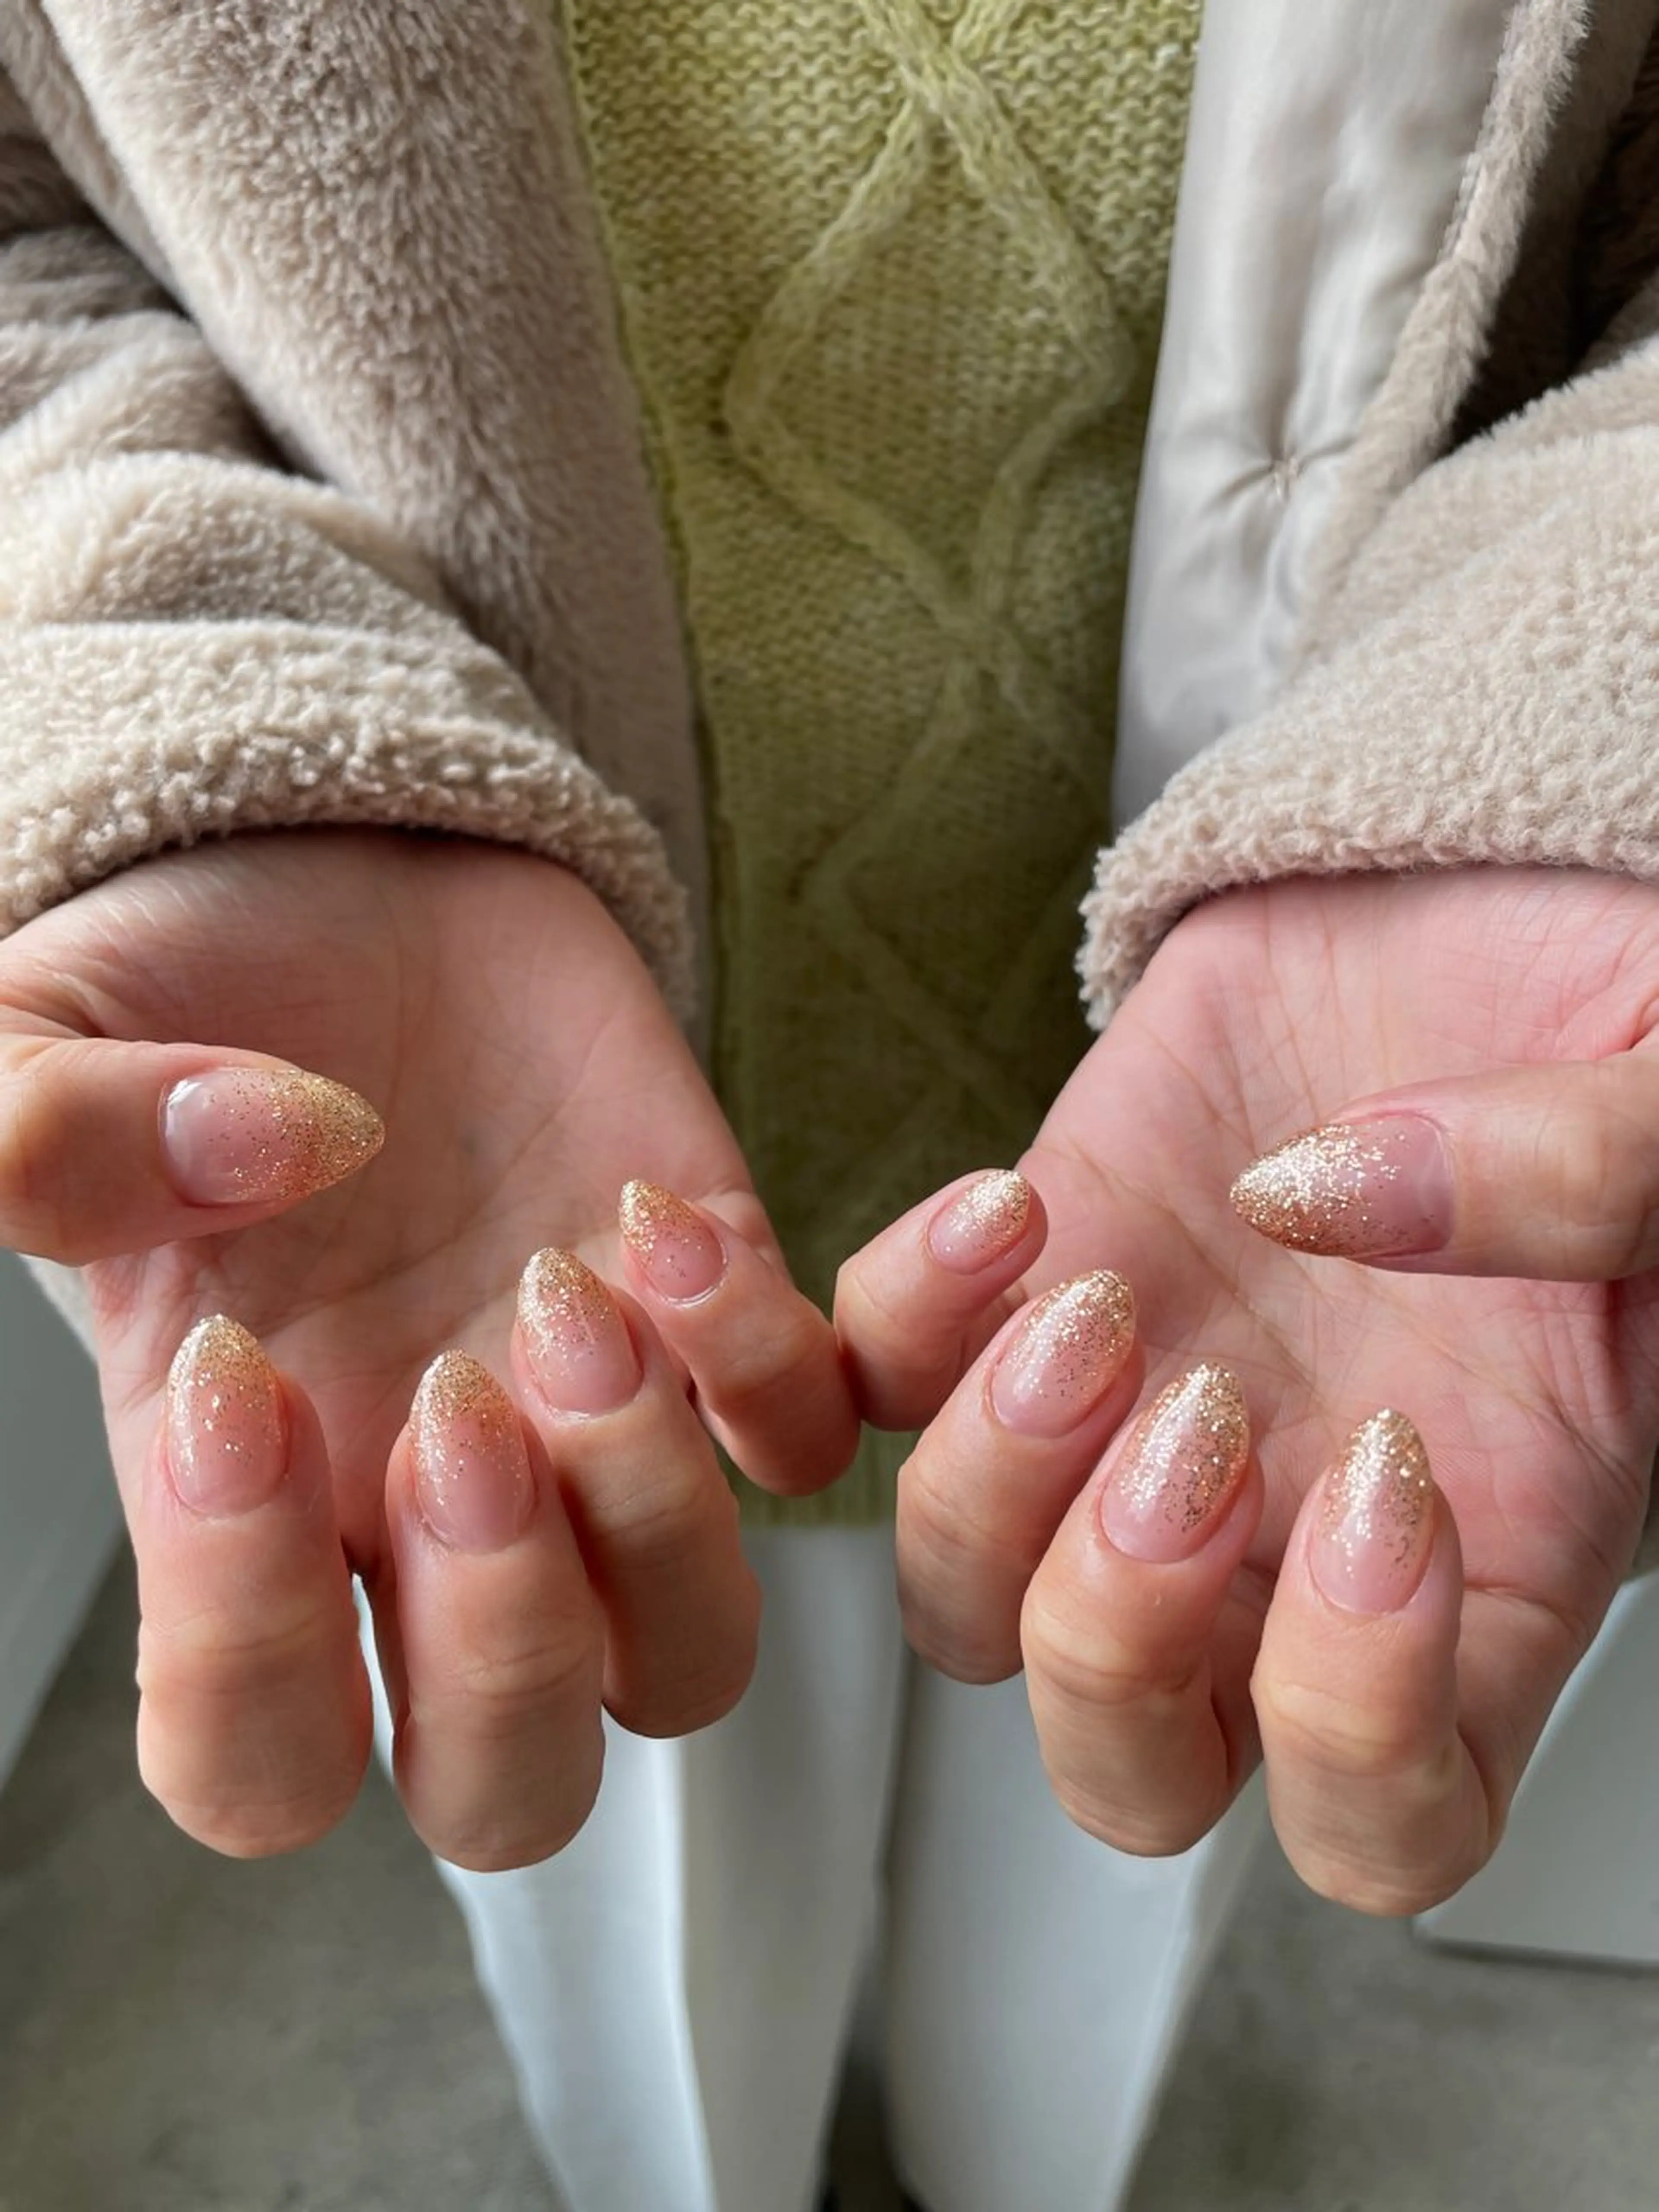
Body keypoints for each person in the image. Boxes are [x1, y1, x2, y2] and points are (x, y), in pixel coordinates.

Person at [3, 3, 1659, 2208]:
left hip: (1274, 1275)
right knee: (654, 1987)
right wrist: (199, 729)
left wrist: (1571, 762)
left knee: (1121, 1872)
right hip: (467, 1229)